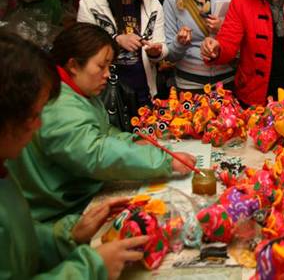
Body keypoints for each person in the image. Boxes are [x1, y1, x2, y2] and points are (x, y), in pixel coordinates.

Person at [6, 23, 196, 223]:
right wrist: (164, 161)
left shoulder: (79, 91)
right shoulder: (58, 103)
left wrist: (132, 141)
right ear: (73, 65)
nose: (107, 74)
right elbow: (96, 152)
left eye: (109, 66)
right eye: (101, 66)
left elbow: (103, 133)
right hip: (61, 215)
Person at [0, 30, 149, 279]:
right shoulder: (61, 108)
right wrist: (91, 268)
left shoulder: (4, 173)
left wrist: (67, 235)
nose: (39, 126)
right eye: (34, 115)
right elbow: (96, 153)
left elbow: (21, 244)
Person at [78, 0, 167, 108]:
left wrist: (156, 52)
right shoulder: (91, 5)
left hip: (144, 94)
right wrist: (116, 40)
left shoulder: (153, 5)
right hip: (106, 98)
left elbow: (162, 45)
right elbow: (83, 49)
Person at [164, 0, 235, 91]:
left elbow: (239, 37)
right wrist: (179, 43)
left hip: (225, 82)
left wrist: (222, 28)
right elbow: (170, 55)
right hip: (189, 84)